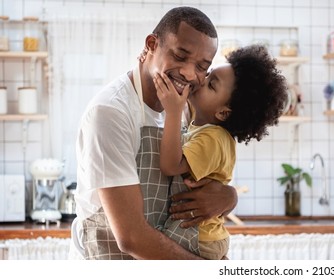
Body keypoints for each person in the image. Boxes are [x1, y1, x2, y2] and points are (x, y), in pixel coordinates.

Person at [70, 7, 237, 260]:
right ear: (151, 44)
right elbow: (131, 238)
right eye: (180, 56)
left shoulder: (186, 106)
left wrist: (229, 197)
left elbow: (209, 173)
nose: (190, 74)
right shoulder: (110, 112)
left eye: (203, 67)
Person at [154, 45, 287, 260]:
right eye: (207, 74)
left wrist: (173, 110)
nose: (200, 80)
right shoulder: (203, 127)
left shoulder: (213, 138)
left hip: (199, 238)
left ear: (223, 112)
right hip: (202, 236)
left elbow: (170, 166)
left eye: (211, 85)